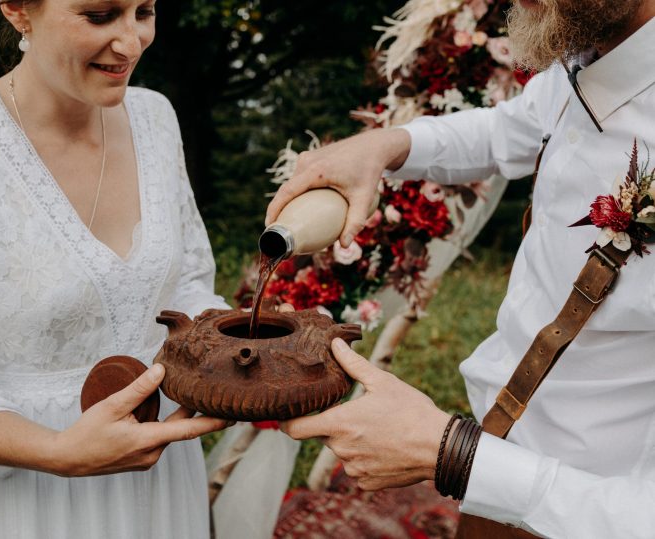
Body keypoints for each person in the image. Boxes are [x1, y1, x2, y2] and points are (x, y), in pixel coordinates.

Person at [268, 0, 655, 536]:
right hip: (494, 471)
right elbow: (511, 128)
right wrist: (387, 146)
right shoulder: (588, 46)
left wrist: (455, 456)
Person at [0, 0, 231, 536]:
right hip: (30, 497)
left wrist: (249, 347)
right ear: (18, 10)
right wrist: (61, 452)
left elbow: (188, 289)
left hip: (160, 478)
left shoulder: (155, 117)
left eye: (144, 12)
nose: (131, 43)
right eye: (100, 15)